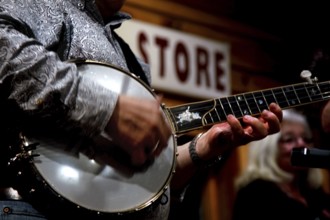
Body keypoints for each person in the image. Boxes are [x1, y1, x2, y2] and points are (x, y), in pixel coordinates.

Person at [0, 0, 283, 219]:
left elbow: (138, 181)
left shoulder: (131, 61)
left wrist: (199, 149)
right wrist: (107, 109)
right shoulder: (44, 4)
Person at [232, 109, 330, 220]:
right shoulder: (254, 195)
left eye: (306, 139)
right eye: (289, 139)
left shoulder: (314, 192)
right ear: (268, 149)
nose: (302, 144)